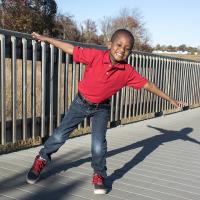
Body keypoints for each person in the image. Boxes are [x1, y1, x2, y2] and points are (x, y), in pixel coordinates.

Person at [26, 29, 185, 194]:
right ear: (110, 44)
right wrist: (46, 38)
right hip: (80, 103)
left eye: (127, 48)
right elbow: (70, 49)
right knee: (60, 135)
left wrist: (170, 99)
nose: (122, 50)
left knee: (98, 145)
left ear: (130, 52)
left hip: (101, 109)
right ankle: (42, 158)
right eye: (119, 45)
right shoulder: (95, 56)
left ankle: (99, 175)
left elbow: (148, 85)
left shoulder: (128, 72)